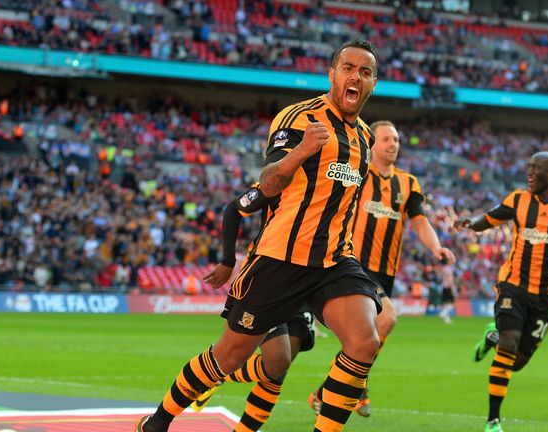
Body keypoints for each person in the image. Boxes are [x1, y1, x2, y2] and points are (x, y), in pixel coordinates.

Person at [136, 38, 383, 432]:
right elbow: (267, 183)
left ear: (373, 83)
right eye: (348, 68)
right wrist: (301, 151)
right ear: (332, 74)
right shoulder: (298, 118)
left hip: (334, 261)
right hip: (280, 259)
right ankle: (158, 422)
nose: (356, 76)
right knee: (228, 357)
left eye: (365, 72)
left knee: (364, 341)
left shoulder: (365, 139)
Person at [307, 120, 455, 417]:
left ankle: (326, 392)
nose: (393, 144)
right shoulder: (358, 172)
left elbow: (420, 222)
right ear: (373, 144)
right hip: (354, 264)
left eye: (397, 140)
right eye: (386, 139)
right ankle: (356, 386)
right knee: (387, 319)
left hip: (386, 271)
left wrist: (436, 247)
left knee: (363, 339)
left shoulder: (408, 183)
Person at [454, 151, 548, 432]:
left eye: (537, 168)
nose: (530, 172)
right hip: (513, 286)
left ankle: (491, 336)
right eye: (529, 167)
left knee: (517, 362)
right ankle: (493, 420)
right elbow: (490, 218)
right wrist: (470, 222)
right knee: (508, 347)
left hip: (546, 297)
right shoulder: (518, 200)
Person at [186, 183, 317, 432]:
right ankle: (215, 374)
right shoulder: (281, 175)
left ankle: (240, 418)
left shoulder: (340, 182)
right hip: (268, 276)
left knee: (281, 365)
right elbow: (234, 209)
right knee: (277, 360)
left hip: (310, 278)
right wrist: (227, 260)